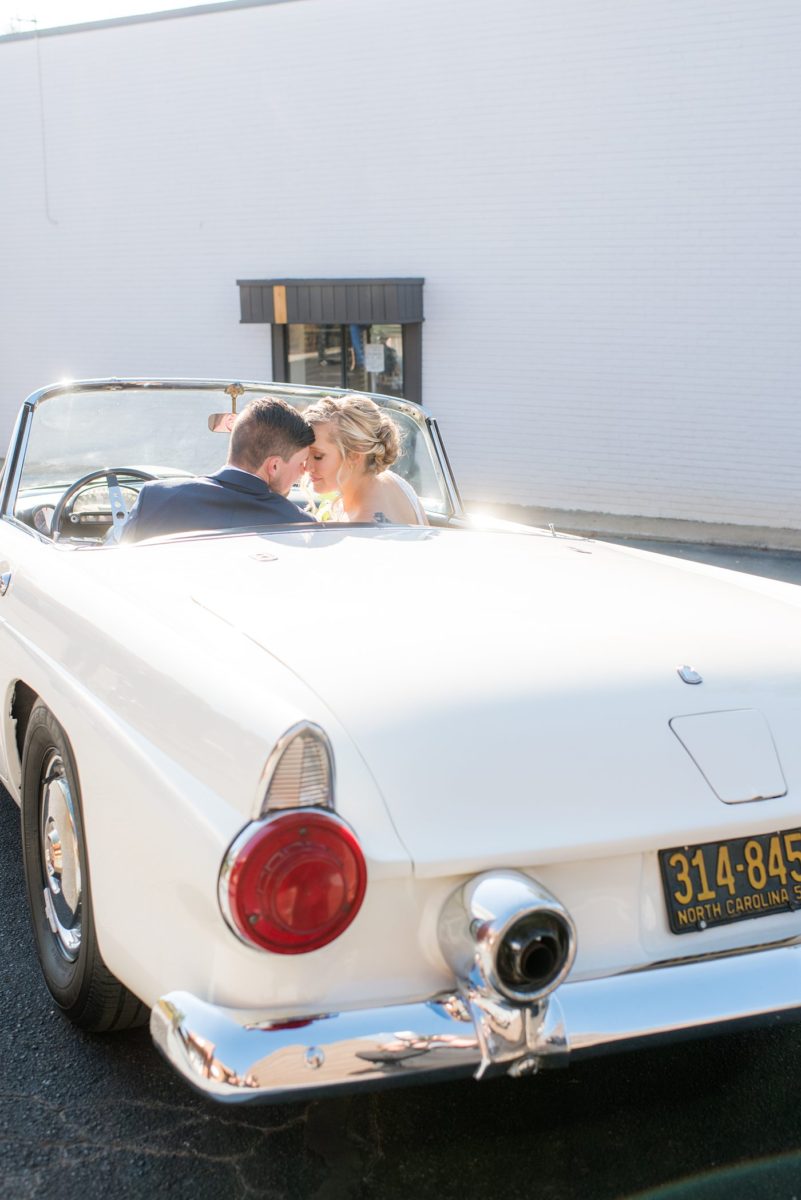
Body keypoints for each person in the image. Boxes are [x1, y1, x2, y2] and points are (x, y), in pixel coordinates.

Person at [122, 397, 316, 542]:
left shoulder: (155, 497)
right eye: (301, 463)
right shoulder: (300, 525)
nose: (304, 471)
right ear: (273, 466)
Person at [303, 394, 428, 525]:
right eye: (305, 455)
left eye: (318, 456)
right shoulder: (395, 483)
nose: (307, 467)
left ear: (354, 455)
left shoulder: (362, 526)